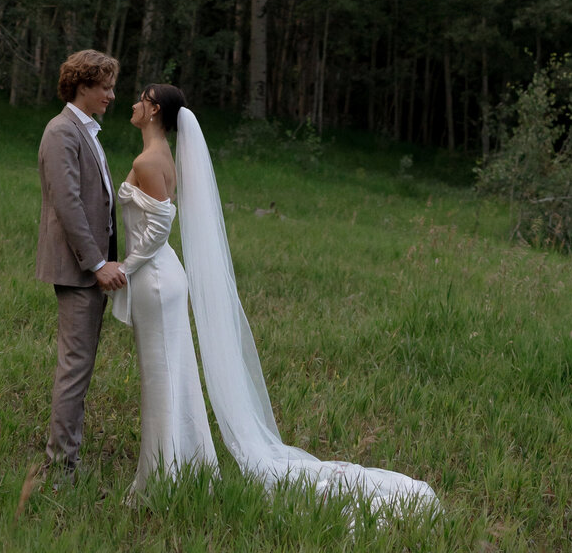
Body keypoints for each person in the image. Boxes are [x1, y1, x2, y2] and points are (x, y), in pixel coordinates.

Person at [114, 82, 439, 518]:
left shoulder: (148, 160)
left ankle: (162, 478)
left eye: (140, 99)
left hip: (154, 277)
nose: (133, 105)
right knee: (173, 377)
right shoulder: (163, 157)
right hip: (160, 276)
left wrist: (123, 267)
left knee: (163, 380)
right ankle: (179, 468)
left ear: (153, 110)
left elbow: (159, 227)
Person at [31, 49, 127, 491]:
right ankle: (60, 471)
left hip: (91, 268)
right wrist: (96, 263)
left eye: (111, 86)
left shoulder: (85, 130)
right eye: (104, 86)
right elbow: (68, 205)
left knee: (80, 366)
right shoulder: (61, 131)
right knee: (74, 368)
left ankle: (67, 462)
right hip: (78, 269)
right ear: (81, 86)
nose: (111, 94)